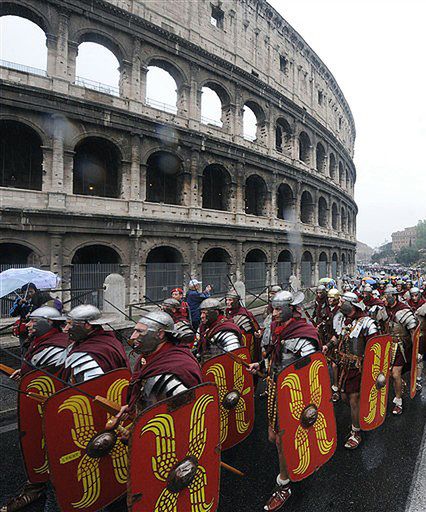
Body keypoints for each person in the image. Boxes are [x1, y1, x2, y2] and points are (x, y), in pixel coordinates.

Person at [248, 290, 319, 511]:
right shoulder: (275, 327)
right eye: (274, 308)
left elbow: (310, 368)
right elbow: (272, 353)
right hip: (275, 387)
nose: (274, 312)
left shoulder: (304, 332)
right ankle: (296, 462)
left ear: (291, 309)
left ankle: (284, 484)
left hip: (294, 394)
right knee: (273, 437)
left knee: (281, 439)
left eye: (279, 309)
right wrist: (260, 365)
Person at [4, 307, 69, 512]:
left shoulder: (58, 347)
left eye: (33, 321)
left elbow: (61, 380)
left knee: (53, 448)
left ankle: (51, 492)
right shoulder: (42, 342)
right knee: (36, 444)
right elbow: (38, 371)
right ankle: (38, 482)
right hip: (38, 404)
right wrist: (24, 374)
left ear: (49, 322)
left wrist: (29, 376)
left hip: (54, 409)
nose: (29, 325)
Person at [112, 310, 202, 424]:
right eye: (135, 330)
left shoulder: (172, 373)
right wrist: (132, 409)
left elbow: (182, 419)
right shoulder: (146, 358)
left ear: (160, 334)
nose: (133, 336)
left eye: (140, 331)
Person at [323, 292, 378, 449]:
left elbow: (375, 346)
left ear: (351, 304)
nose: (339, 303)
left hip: (358, 367)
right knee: (344, 397)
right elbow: (337, 337)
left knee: (353, 399)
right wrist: (329, 345)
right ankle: (359, 416)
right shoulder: (341, 319)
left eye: (342, 301)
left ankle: (356, 432)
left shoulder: (367, 323)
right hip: (343, 365)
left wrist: (372, 368)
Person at [60, 304, 130, 383]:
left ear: (87, 325)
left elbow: (92, 387)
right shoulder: (111, 341)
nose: (66, 328)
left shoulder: (94, 351)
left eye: (70, 324)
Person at [382, 287, 418, 412]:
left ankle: (398, 402)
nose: (384, 299)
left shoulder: (404, 310)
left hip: (402, 347)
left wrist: (416, 351)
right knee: (390, 374)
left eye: (386, 297)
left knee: (395, 373)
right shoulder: (383, 310)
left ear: (394, 297)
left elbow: (414, 332)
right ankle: (400, 383)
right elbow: (381, 329)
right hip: (388, 346)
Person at [10, 283, 62, 355]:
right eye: (26, 292)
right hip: (25, 327)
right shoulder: (19, 300)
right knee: (25, 348)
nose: (29, 294)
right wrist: (19, 304)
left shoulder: (41, 299)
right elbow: (12, 313)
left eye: (31, 292)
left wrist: (33, 314)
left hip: (39, 328)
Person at [225, 288, 261, 361]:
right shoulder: (225, 313)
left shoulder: (245, 315)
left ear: (236, 301)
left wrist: (257, 333)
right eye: (226, 300)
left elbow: (251, 333)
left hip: (242, 346)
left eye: (230, 300)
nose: (227, 302)